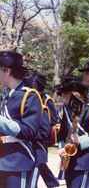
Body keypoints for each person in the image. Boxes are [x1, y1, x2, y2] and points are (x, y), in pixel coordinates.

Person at [0, 51, 43, 187]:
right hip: (3, 159)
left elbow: (30, 131)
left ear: (6, 71)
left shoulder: (29, 95)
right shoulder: (6, 96)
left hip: (19, 160)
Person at [54, 76, 89, 188]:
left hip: (84, 160)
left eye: (65, 93)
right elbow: (62, 133)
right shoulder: (65, 109)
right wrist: (61, 148)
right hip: (69, 161)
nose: (62, 96)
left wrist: (80, 141)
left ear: (75, 93)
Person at [24, 74, 60, 188]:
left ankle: (53, 183)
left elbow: (53, 119)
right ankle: (53, 183)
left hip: (40, 136)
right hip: (31, 137)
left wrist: (39, 123)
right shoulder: (29, 97)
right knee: (39, 166)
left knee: (38, 164)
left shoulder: (46, 100)